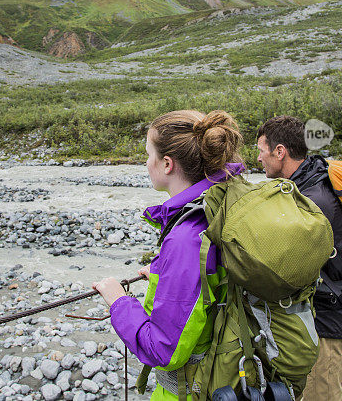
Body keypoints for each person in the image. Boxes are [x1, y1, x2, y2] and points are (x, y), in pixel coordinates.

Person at [92, 109, 244, 400]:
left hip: (192, 391)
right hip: (226, 372)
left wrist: (119, 302)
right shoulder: (222, 200)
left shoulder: (187, 236)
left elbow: (163, 349)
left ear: (166, 164)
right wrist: (168, 279)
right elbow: (209, 287)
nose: (146, 163)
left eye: (148, 154)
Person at [256, 115, 342, 401]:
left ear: (280, 152)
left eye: (262, 150)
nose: (259, 157)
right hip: (320, 314)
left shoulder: (311, 201)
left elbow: (285, 264)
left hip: (327, 323)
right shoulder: (311, 179)